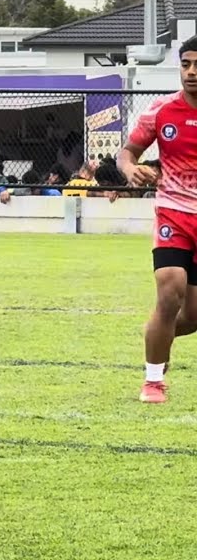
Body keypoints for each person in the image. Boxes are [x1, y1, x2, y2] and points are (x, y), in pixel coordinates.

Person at [118, 36, 197, 405]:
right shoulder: (161, 110)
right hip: (173, 214)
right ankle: (153, 382)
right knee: (169, 290)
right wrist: (132, 169)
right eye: (185, 65)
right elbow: (127, 153)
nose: (192, 72)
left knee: (193, 316)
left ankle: (156, 337)